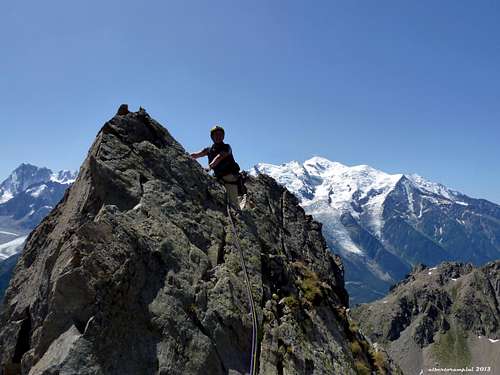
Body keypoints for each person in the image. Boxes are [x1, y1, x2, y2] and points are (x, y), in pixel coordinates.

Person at [191, 125, 246, 209]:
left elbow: (219, 157)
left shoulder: (227, 147)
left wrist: (209, 167)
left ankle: (239, 216)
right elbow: (197, 154)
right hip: (218, 177)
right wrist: (187, 155)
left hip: (230, 178)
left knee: (234, 205)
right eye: (216, 135)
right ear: (212, 137)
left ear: (223, 136)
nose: (218, 136)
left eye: (220, 134)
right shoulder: (209, 149)